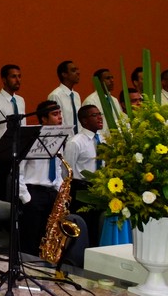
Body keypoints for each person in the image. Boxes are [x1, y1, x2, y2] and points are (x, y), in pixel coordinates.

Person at [17, 101, 65, 256]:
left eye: (60, 113)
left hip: (51, 193)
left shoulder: (59, 137)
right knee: (31, 238)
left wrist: (60, 192)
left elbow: (58, 167)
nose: (60, 117)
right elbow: (17, 170)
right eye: (55, 114)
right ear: (43, 119)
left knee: (48, 236)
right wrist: (26, 198)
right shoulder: (31, 138)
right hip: (33, 193)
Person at [0, 64, 26, 200]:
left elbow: (23, 126)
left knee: (15, 189)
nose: (18, 80)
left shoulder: (20, 100)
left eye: (19, 76)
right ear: (4, 79)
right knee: (0, 190)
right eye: (13, 77)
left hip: (16, 151)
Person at [64, 104, 104, 245]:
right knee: (84, 226)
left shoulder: (103, 140)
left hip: (100, 188)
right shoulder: (75, 142)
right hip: (82, 189)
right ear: (84, 121)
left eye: (100, 114)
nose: (100, 118)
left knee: (98, 226)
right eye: (95, 115)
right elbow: (67, 170)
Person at [83, 68, 123, 134]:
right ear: (98, 82)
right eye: (107, 78)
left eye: (112, 78)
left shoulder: (114, 100)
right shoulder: (91, 101)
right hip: (100, 138)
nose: (112, 80)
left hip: (116, 138)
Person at [48, 60, 82, 134]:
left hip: (78, 138)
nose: (78, 72)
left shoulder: (76, 95)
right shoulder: (56, 95)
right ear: (64, 74)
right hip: (65, 138)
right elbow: (57, 123)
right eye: (73, 70)